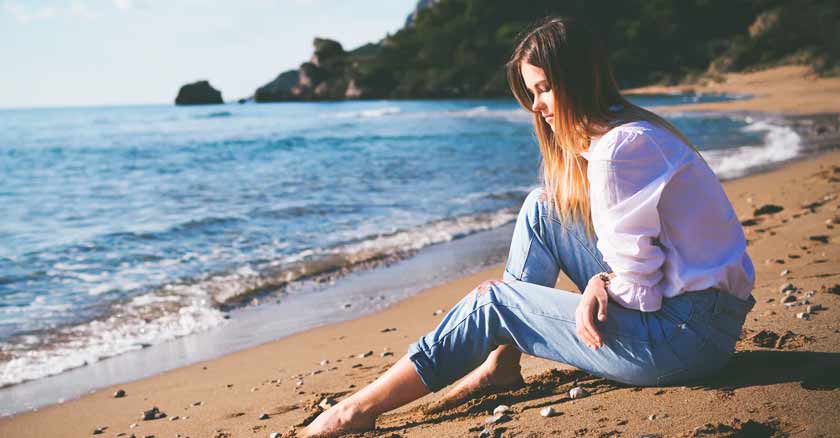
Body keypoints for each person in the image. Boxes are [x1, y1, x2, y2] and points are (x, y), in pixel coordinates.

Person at [302, 16, 755, 437]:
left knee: (494, 303)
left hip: (682, 341)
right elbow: (652, 267)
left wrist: (601, 284)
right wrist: (603, 281)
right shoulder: (630, 132)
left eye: (544, 89)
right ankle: (502, 363)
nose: (537, 107)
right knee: (543, 207)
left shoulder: (620, 150)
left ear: (576, 80)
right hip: (701, 322)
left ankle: (356, 410)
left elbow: (642, 291)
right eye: (531, 93)